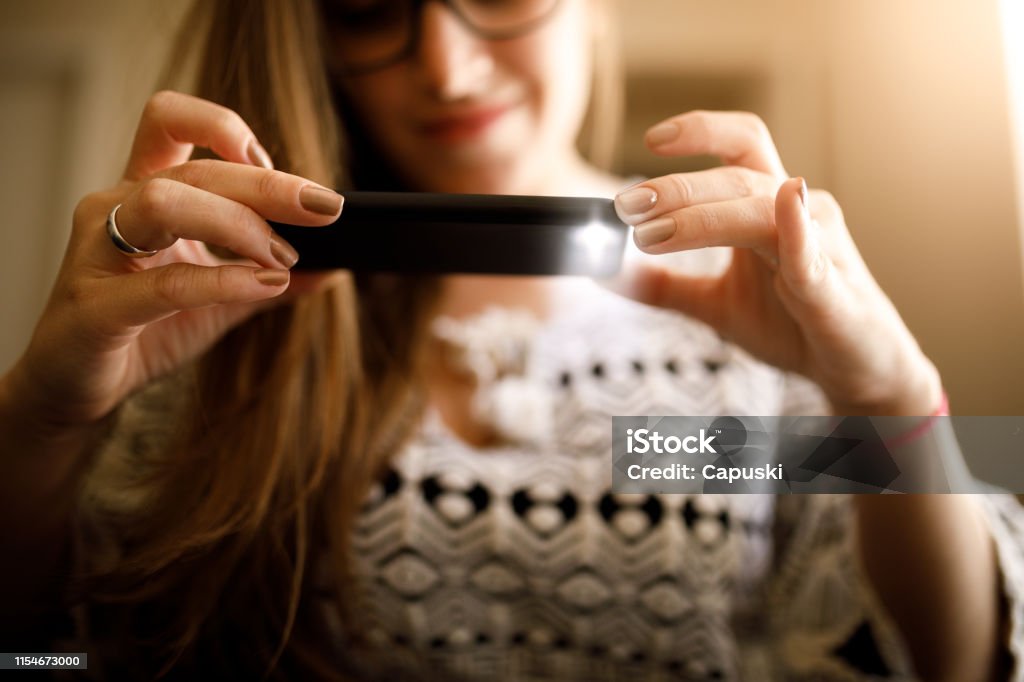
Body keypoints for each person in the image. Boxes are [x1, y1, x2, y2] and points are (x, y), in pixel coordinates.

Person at [0, 0, 1021, 679]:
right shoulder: (212, 309)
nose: (443, 67)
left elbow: (956, 661)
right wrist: (39, 417)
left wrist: (894, 396)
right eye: (367, 8)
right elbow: (42, 654)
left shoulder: (756, 322)